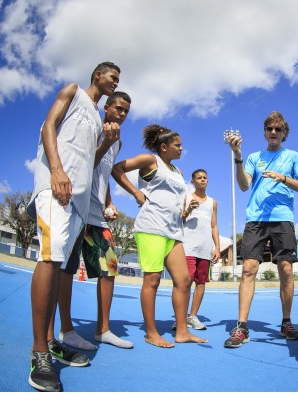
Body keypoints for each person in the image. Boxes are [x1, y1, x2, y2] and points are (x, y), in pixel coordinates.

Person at [26, 61, 120, 392]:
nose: (115, 82)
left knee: (59, 268)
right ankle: (39, 352)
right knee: (49, 258)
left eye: (118, 80)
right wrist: (55, 170)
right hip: (55, 187)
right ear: (97, 75)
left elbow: (92, 163)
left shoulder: (98, 119)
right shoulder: (73, 91)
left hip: (78, 202)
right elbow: (47, 127)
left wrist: (106, 144)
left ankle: (51, 340)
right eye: (112, 77)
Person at [111, 124, 208, 348]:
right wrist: (136, 193)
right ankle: (151, 333)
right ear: (164, 147)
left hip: (173, 230)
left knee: (184, 280)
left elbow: (173, 202)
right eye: (178, 145)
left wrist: (186, 211)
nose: (182, 149)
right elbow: (117, 169)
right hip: (151, 228)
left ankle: (182, 331)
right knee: (152, 280)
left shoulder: (178, 173)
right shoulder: (150, 160)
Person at [50, 91, 133, 352]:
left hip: (98, 214)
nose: (121, 114)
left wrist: (109, 201)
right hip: (78, 208)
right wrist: (105, 142)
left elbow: (104, 175)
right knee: (66, 269)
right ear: (106, 107)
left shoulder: (117, 142)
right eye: (118, 108)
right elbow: (86, 163)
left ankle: (103, 330)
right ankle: (66, 329)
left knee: (109, 270)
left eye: (126, 111)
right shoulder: (93, 128)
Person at [223, 111, 298, 348]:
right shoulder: (253, 157)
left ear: (284, 133)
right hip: (256, 220)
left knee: (286, 270)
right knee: (249, 268)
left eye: (278, 129)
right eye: (269, 128)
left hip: (283, 219)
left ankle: (286, 322)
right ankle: (241, 327)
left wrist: (283, 178)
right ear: (264, 131)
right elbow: (243, 186)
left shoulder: (292, 156)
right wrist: (238, 156)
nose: (273, 132)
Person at [178, 169, 221, 330]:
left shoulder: (212, 202)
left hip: (205, 248)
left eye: (205, 178)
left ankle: (192, 316)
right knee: (185, 282)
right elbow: (179, 218)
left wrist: (217, 247)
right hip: (188, 246)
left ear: (207, 181)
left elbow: (214, 226)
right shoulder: (186, 197)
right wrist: (188, 210)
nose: (202, 180)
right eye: (199, 178)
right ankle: (181, 317)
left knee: (201, 283)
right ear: (193, 181)